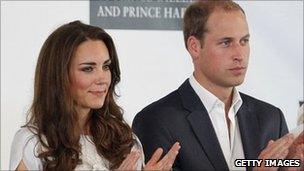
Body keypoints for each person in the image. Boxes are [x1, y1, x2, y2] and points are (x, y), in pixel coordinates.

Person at [132, 1, 303, 171]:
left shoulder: (271, 119)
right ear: (195, 47)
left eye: (244, 41)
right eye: (226, 43)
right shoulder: (156, 121)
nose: (239, 54)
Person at [9, 21, 180, 171]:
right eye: (88, 69)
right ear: (59, 76)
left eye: (106, 67)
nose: (102, 78)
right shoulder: (32, 143)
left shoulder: (126, 140)